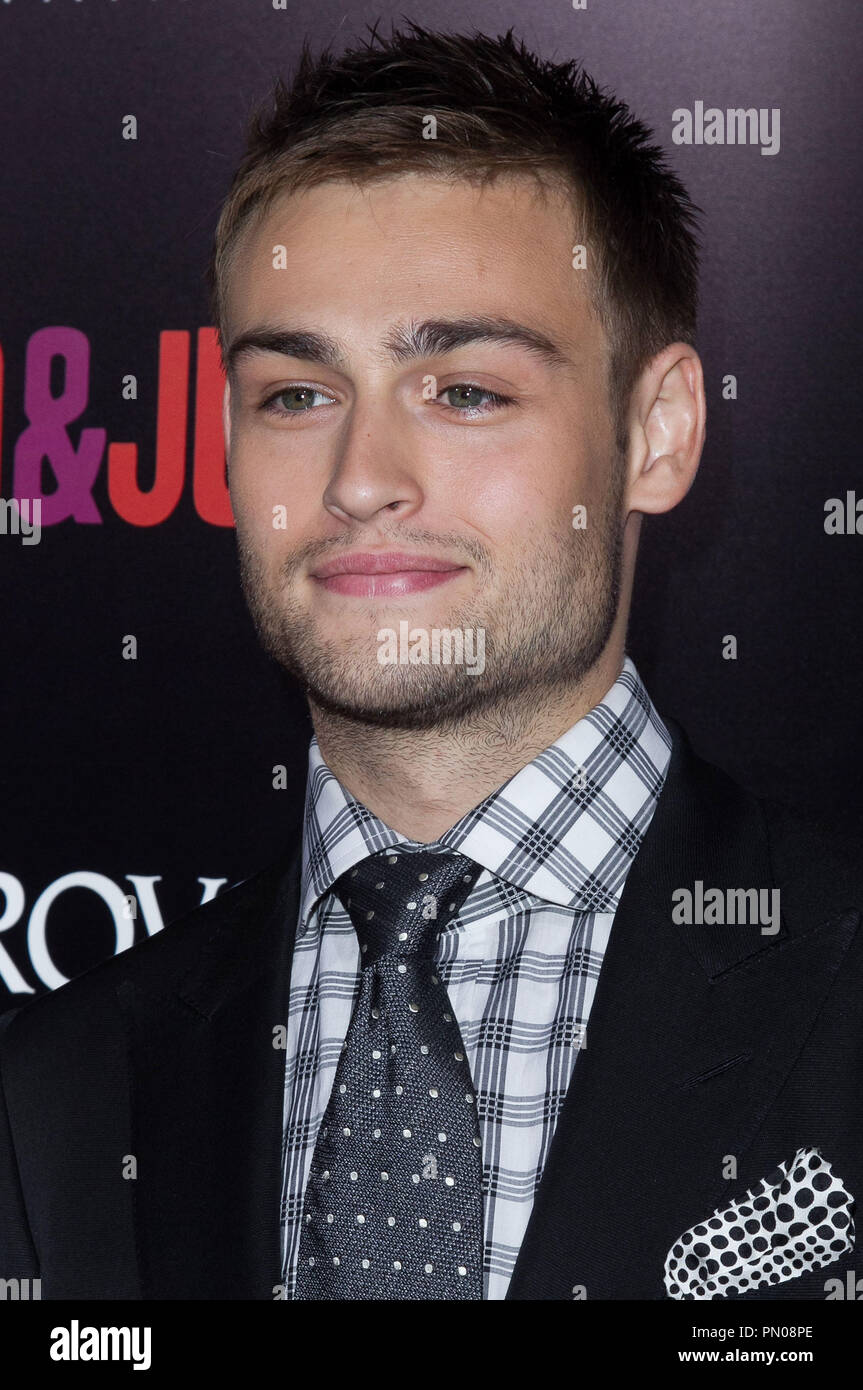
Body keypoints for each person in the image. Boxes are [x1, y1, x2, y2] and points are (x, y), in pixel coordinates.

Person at [1, 23, 860, 1303]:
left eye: (461, 389)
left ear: (655, 431)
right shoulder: (58, 1090)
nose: (358, 481)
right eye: (294, 394)